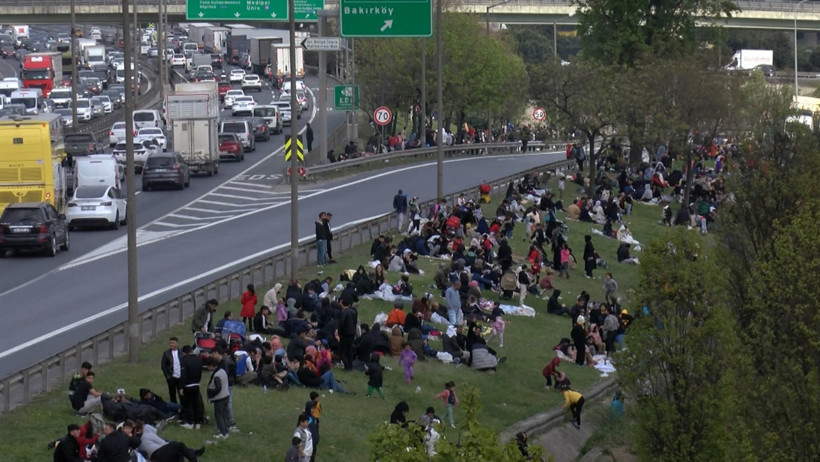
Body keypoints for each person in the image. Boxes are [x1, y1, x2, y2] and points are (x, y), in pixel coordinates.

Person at [134, 420, 204, 462]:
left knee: (178, 452)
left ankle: (193, 452)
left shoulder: (138, 442)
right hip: (159, 453)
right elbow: (163, 443)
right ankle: (194, 459)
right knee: (178, 445)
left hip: (156, 457)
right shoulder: (146, 435)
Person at [178, 345, 205, 430]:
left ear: (184, 353)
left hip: (188, 385)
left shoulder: (184, 360)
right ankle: (197, 422)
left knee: (187, 404)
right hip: (196, 384)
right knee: (196, 404)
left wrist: (181, 386)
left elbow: (184, 374)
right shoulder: (199, 359)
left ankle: (189, 422)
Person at [206, 357, 231, 439]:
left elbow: (218, 388)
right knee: (224, 415)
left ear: (211, 366)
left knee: (219, 416)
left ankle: (223, 433)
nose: (208, 368)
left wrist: (210, 391)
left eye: (208, 366)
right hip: (226, 396)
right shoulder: (222, 371)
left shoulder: (217, 375)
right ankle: (226, 431)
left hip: (220, 398)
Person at [160, 337, 182, 405]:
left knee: (182, 393)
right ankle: (174, 407)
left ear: (177, 344)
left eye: (173, 343)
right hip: (171, 377)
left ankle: (183, 407)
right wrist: (167, 376)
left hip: (180, 377)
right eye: (170, 343)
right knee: (172, 394)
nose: (171, 344)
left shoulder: (181, 353)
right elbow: (163, 365)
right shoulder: (166, 353)